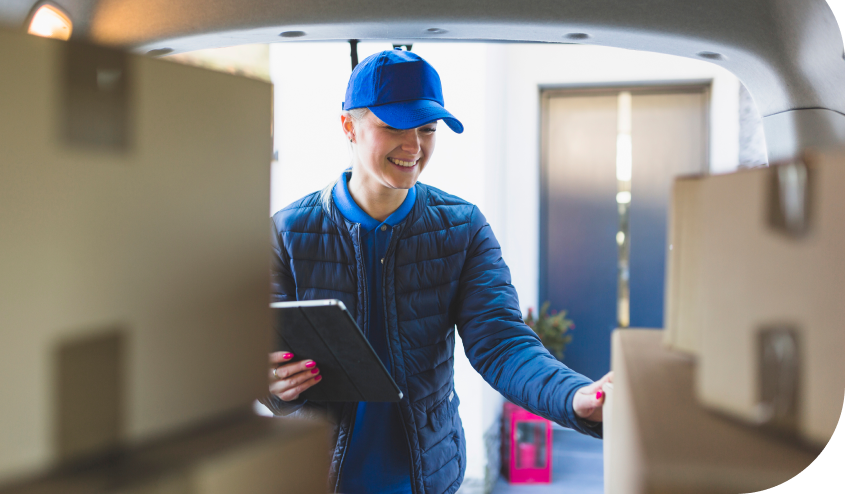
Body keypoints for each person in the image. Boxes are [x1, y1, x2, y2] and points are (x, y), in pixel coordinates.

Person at [262, 49, 613, 494]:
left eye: (427, 129)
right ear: (349, 126)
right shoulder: (289, 232)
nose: (414, 147)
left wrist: (573, 397)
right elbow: (262, 348)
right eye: (393, 127)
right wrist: (271, 382)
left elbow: (502, 343)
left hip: (425, 479)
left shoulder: (461, 228)